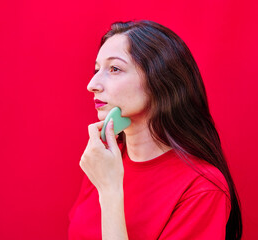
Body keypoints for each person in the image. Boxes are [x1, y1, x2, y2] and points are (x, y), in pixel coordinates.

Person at [69, 20, 242, 240]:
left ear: (159, 81)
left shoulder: (201, 188)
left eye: (114, 69)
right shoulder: (103, 161)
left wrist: (110, 192)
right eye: (96, 69)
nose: (92, 84)